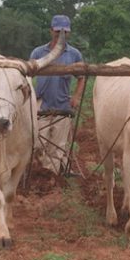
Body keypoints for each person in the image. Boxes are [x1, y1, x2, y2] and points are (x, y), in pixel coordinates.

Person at [30, 15, 86, 175]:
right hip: (41, 104)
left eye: (65, 32)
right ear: (51, 31)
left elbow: (81, 78)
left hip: (62, 104)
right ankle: (38, 169)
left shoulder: (74, 54)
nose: (61, 34)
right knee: (37, 143)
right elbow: (27, 77)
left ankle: (50, 177)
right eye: (57, 31)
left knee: (57, 145)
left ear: (69, 33)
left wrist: (76, 97)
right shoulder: (38, 52)